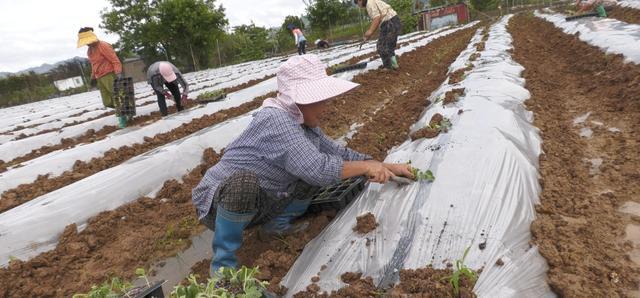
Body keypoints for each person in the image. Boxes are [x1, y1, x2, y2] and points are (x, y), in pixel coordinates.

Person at [191, 54, 414, 275]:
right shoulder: (276, 119)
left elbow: (337, 152)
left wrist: (386, 166)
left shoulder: (302, 122)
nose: (325, 106)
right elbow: (317, 169)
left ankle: (275, 227)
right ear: (296, 99)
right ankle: (222, 267)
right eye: (319, 100)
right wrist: (366, 168)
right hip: (218, 203)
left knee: (314, 169)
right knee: (246, 181)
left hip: (264, 199)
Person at [77, 27, 127, 128]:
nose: (87, 44)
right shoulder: (90, 51)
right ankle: (125, 109)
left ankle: (123, 119)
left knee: (117, 98)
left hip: (110, 74)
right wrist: (92, 77)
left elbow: (115, 60)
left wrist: (118, 74)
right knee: (107, 102)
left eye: (87, 41)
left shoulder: (103, 46)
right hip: (99, 77)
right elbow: (93, 65)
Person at [355, 0, 403, 70]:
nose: (358, 5)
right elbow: (377, 21)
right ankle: (394, 65)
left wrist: (370, 31)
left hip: (389, 23)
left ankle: (388, 67)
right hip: (394, 21)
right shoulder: (373, 1)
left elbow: (376, 18)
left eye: (357, 3)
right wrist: (369, 35)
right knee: (389, 46)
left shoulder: (369, 3)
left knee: (381, 46)